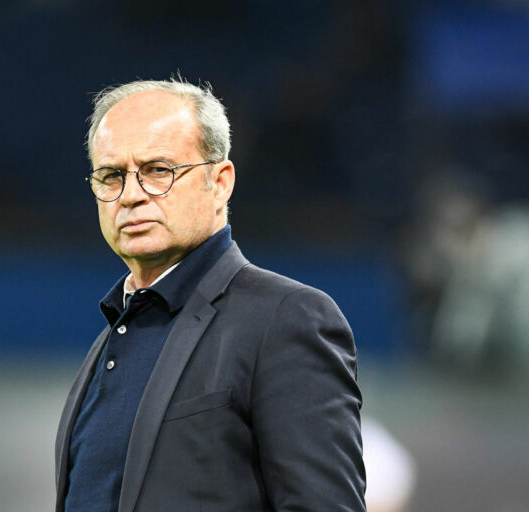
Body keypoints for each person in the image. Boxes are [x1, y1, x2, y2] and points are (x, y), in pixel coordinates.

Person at [55, 77, 365, 512]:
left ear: (220, 182)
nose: (131, 196)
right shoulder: (113, 334)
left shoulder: (285, 319)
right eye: (111, 176)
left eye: (158, 170)